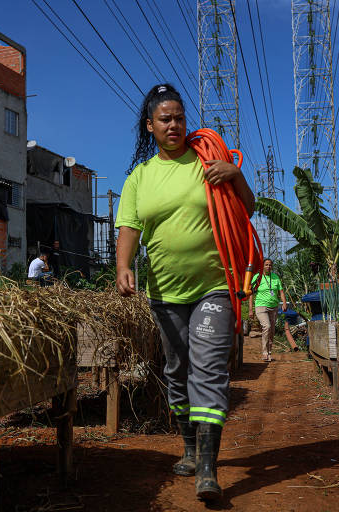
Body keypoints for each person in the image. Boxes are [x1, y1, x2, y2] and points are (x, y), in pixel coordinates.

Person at [115, 83, 255, 501]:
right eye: (165, 119)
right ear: (150, 126)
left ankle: (208, 471)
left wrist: (237, 174)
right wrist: (123, 267)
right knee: (177, 373)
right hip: (165, 292)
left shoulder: (208, 162)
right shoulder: (140, 177)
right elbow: (130, 228)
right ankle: (191, 448)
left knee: (209, 369)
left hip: (213, 285)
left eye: (179, 117)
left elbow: (245, 209)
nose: (174, 125)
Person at [248, 258, 287, 362]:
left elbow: (281, 292)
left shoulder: (275, 278)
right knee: (267, 326)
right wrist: (250, 309)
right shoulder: (257, 277)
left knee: (272, 331)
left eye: (270, 265)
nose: (268, 267)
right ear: (262, 266)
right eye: (266, 265)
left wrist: (283, 303)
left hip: (274, 307)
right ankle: (264, 352)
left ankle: (269, 352)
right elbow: (251, 293)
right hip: (261, 306)